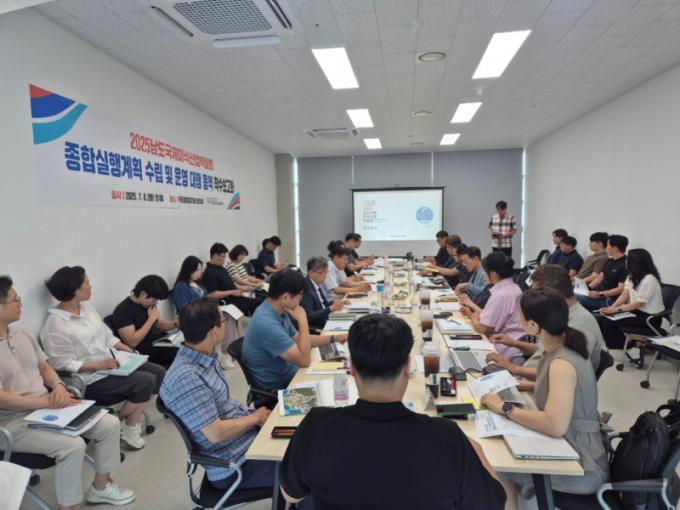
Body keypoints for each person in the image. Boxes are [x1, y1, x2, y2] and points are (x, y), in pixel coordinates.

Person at [279, 314, 506, 510]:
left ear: (352, 367)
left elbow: (291, 495)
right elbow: (492, 504)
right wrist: (475, 449)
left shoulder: (315, 425)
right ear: (407, 367)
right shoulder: (448, 437)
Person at [0, 276, 136, 509]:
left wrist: (58, 386)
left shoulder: (21, 332)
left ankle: (101, 487)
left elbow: (44, 367)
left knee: (109, 424)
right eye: (15, 299)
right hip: (11, 421)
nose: (21, 303)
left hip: (46, 405)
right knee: (72, 446)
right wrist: (44, 402)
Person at [481, 288, 609, 507]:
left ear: (533, 325)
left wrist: (505, 407)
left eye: (521, 315)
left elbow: (554, 425)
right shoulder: (564, 343)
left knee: (496, 465)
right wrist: (526, 385)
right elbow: (564, 391)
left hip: (581, 464)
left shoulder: (561, 363)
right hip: (571, 446)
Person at [159, 298, 283, 497]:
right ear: (213, 332)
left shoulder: (204, 357)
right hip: (236, 463)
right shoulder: (187, 378)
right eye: (223, 321)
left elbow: (225, 400)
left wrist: (256, 416)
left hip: (248, 440)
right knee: (312, 470)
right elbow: (215, 433)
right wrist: (255, 418)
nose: (226, 325)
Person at [40, 266, 165, 450]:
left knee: (159, 372)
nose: (91, 286)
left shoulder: (86, 308)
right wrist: (99, 365)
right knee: (145, 381)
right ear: (75, 290)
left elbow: (107, 336)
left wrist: (128, 349)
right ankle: (127, 424)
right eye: (87, 283)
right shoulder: (55, 325)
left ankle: (122, 421)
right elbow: (62, 364)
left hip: (112, 364)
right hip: (90, 379)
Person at [487, 265, 605, 381]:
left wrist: (513, 369)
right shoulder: (559, 314)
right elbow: (544, 350)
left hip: (541, 387)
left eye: (536, 294)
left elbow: (563, 374)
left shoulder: (580, 324)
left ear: (552, 294)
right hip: (527, 381)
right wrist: (513, 343)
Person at [243, 270, 346, 391]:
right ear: (285, 297)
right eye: (299, 297)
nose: (300, 302)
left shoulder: (279, 309)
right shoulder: (267, 323)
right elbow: (304, 361)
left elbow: (299, 339)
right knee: (337, 386)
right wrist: (303, 320)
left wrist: (334, 338)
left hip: (292, 372)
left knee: (339, 373)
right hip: (281, 386)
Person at [172, 255, 242, 369]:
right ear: (189, 270)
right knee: (225, 320)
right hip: (194, 317)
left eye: (200, 269)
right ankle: (224, 353)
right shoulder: (181, 287)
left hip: (204, 313)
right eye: (197, 270)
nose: (200, 272)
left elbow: (206, 297)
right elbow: (185, 309)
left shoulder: (197, 283)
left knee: (232, 315)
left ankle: (233, 347)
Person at [458, 253, 527, 363]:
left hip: (503, 351)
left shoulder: (501, 294)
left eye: (485, 272)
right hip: (514, 348)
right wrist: (472, 314)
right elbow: (494, 317)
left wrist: (473, 318)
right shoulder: (515, 288)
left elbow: (483, 328)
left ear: (493, 274)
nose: (484, 275)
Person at [599, 248, 664, 350]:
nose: (625, 261)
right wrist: (611, 308)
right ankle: (626, 343)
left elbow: (639, 303)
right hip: (636, 312)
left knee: (609, 323)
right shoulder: (632, 275)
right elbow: (625, 294)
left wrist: (616, 310)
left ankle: (631, 345)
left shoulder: (649, 279)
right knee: (603, 317)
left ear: (635, 262)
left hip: (649, 318)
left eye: (628, 259)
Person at [111, 275, 179, 369]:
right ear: (143, 294)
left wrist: (176, 323)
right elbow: (131, 342)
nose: (156, 303)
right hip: (145, 350)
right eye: (155, 299)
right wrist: (150, 320)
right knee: (182, 352)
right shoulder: (123, 310)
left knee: (189, 344)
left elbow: (159, 324)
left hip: (161, 341)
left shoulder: (148, 305)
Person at [202, 242, 262, 316]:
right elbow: (212, 294)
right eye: (223, 256)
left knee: (262, 296)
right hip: (229, 300)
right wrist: (231, 292)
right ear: (215, 255)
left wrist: (246, 288)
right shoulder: (209, 273)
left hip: (237, 294)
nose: (224, 259)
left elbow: (231, 283)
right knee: (260, 302)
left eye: (225, 257)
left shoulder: (221, 268)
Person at [575, 234, 628, 310]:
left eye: (608, 245)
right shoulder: (609, 261)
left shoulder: (625, 264)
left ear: (615, 248)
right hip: (597, 294)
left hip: (608, 299)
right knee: (570, 293)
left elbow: (620, 289)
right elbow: (600, 277)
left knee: (572, 297)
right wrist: (587, 288)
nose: (606, 248)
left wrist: (600, 294)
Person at [301, 257, 349, 329]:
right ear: (311, 273)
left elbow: (322, 305)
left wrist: (336, 303)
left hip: (326, 320)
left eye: (326, 272)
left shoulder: (315, 284)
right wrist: (331, 308)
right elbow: (308, 316)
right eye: (321, 273)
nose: (324, 275)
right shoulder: (306, 289)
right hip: (318, 327)